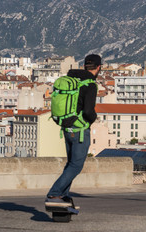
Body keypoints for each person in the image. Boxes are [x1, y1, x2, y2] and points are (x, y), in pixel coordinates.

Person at [45, 54, 101, 206]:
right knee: (76, 165)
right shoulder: (90, 84)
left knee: (71, 164)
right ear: (98, 68)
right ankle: (54, 193)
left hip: (66, 126)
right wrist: (92, 119)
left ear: (84, 66)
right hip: (80, 129)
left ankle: (62, 196)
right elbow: (89, 111)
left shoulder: (73, 79)